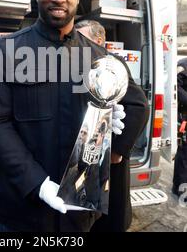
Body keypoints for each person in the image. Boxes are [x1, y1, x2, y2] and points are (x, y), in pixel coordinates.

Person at [0, 0, 149, 232]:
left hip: (77, 215)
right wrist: (37, 183)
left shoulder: (100, 58)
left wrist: (115, 147)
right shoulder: (6, 49)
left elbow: (137, 103)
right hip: (20, 211)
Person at [75, 19, 140, 231]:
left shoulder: (111, 62)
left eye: (81, 37)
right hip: (85, 150)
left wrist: (118, 150)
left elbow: (139, 105)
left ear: (99, 40)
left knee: (108, 216)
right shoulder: (79, 62)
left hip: (109, 157)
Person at [173, 58, 187, 197]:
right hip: (184, 117)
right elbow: (175, 87)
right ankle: (180, 188)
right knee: (184, 154)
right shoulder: (183, 65)